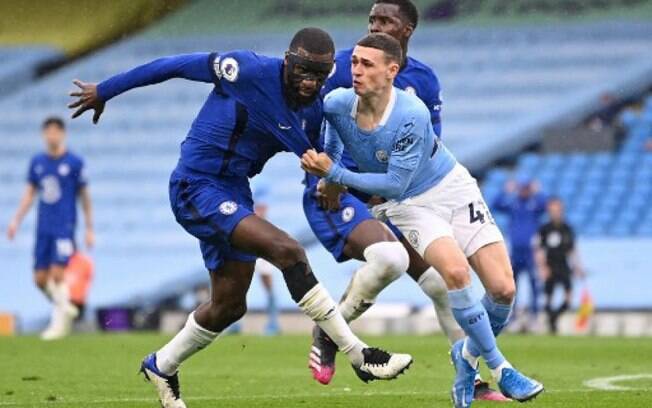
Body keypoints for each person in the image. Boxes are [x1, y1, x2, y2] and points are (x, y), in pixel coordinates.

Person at [68, 27, 412, 408]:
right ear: (287, 62)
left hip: (234, 192)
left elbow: (322, 168)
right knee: (289, 251)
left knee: (229, 306)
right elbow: (176, 65)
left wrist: (357, 185)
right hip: (196, 185)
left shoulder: (312, 112)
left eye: (318, 74)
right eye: (302, 71)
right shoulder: (245, 70)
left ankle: (161, 365)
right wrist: (105, 90)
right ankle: (358, 354)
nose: (309, 82)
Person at [301, 33, 543, 407]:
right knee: (456, 275)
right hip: (407, 205)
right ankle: (501, 368)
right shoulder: (336, 103)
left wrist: (335, 176)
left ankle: (464, 358)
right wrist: (328, 180)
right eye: (355, 63)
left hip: (452, 186)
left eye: (367, 64)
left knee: (503, 290)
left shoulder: (411, 113)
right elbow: (339, 149)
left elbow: (391, 178)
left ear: (391, 71)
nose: (356, 70)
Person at [6, 117, 94, 340]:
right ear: (44, 135)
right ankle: (65, 306)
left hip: (64, 226)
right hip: (43, 226)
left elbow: (84, 196)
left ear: (62, 134)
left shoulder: (74, 162)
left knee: (57, 275)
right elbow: (29, 194)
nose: (52, 136)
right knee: (39, 279)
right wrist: (16, 220)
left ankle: (57, 326)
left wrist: (89, 228)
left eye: (56, 132)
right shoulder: (37, 162)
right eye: (48, 132)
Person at [492, 176, 546, 332]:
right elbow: (495, 205)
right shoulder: (513, 203)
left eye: (526, 188)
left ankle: (534, 317)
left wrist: (538, 192)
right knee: (512, 286)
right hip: (515, 252)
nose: (524, 191)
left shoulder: (534, 203)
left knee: (534, 284)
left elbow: (547, 205)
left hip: (530, 252)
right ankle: (512, 317)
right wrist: (505, 190)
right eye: (522, 188)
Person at [535, 197, 583, 334]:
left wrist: (578, 266)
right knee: (548, 298)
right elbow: (539, 250)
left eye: (557, 210)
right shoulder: (545, 229)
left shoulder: (567, 228)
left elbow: (572, 250)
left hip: (563, 266)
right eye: (552, 210)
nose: (555, 213)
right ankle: (552, 323)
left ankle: (554, 317)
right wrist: (542, 267)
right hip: (550, 266)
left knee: (568, 297)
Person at [252, 187, 281, 335]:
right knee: (238, 286)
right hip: (250, 249)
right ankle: (234, 325)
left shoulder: (263, 216)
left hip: (262, 252)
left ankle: (273, 323)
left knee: (268, 287)